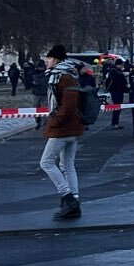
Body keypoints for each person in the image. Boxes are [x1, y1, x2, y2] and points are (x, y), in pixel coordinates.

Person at [39, 45, 85, 221]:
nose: (46, 61)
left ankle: (68, 198)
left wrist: (55, 121)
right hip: (73, 127)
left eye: (49, 59)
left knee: (46, 162)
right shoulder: (71, 75)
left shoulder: (61, 77)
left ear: (56, 60)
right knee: (67, 166)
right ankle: (74, 201)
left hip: (63, 128)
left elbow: (68, 105)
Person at [104, 58, 129, 128]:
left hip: (116, 91)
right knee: (117, 107)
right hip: (116, 91)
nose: (122, 66)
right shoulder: (115, 71)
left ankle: (115, 123)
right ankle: (115, 123)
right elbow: (117, 81)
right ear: (119, 64)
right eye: (121, 65)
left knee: (117, 107)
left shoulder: (115, 70)